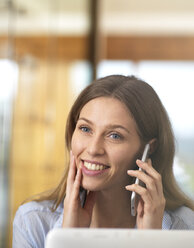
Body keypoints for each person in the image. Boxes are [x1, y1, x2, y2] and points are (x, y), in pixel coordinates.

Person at [13, 75, 194, 248]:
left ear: (149, 148)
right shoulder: (33, 223)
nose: (93, 149)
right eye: (85, 128)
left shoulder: (185, 227)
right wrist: (68, 238)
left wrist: (150, 242)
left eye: (115, 135)